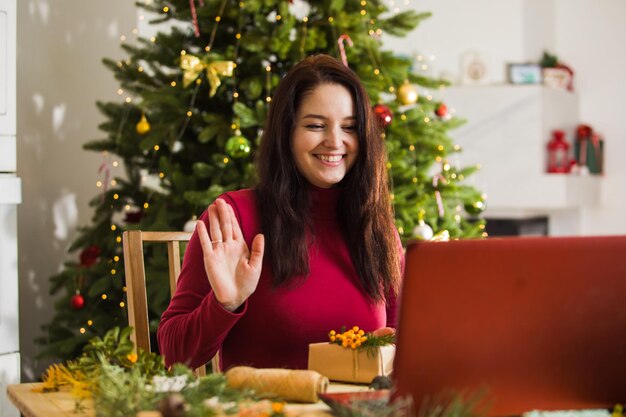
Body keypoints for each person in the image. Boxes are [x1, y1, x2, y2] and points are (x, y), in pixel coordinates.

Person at [158, 54, 403, 371]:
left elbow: (405, 342)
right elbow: (172, 353)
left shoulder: (377, 230)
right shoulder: (235, 217)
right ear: (285, 133)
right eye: (315, 125)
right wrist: (225, 303)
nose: (334, 141)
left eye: (350, 128)